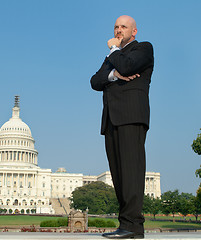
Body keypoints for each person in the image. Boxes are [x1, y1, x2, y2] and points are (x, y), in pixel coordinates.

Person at [90, 15, 154, 239]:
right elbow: (95, 81)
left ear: (134, 31)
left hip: (131, 116)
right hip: (111, 119)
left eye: (123, 27)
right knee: (118, 174)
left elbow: (128, 66)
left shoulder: (143, 48)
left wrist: (114, 53)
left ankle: (134, 226)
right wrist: (113, 74)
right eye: (116, 27)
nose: (118, 30)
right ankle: (125, 225)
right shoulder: (112, 56)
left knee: (131, 172)